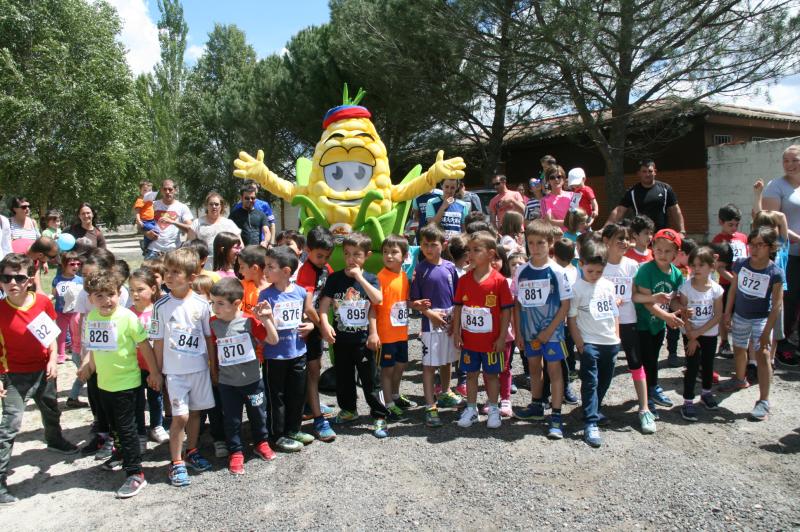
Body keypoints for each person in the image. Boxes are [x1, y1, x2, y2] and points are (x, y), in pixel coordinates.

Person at [0, 253, 79, 505]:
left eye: (19, 277)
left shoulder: (42, 302)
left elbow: (51, 335)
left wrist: (53, 358)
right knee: (10, 425)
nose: (13, 283)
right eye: (6, 278)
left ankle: (54, 440)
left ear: (29, 280)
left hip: (44, 371)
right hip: (13, 376)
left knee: (51, 408)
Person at [77, 270, 161, 498]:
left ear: (119, 294)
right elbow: (94, 347)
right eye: (99, 296)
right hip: (104, 383)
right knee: (114, 426)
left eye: (111, 294)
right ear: (90, 299)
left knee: (127, 429)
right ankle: (122, 454)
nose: (107, 300)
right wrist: (87, 366)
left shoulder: (127, 317)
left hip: (127, 384)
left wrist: (154, 372)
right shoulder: (92, 318)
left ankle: (135, 473)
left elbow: (145, 346)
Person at [150, 248, 215, 487]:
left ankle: (192, 450)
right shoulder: (160, 306)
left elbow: (208, 338)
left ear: (191, 277)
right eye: (167, 271)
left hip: (199, 369)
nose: (168, 276)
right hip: (175, 373)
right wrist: (156, 372)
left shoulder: (202, 304)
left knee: (196, 413)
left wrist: (213, 368)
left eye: (175, 272)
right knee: (180, 416)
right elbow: (158, 341)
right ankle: (176, 462)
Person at [318, 232, 389, 436]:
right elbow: (324, 305)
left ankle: (379, 415)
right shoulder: (335, 278)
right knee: (344, 377)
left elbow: (377, 301)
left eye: (357, 254)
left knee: (371, 379)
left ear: (367, 255)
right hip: (341, 340)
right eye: (347, 254)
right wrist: (325, 324)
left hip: (364, 341)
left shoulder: (371, 278)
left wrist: (359, 277)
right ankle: (349, 410)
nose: (351, 259)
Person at [209, 277, 277, 473]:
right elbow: (212, 349)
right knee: (232, 419)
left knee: (258, 414)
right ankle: (236, 451)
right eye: (212, 302)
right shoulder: (213, 323)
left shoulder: (249, 321)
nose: (215, 308)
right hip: (227, 383)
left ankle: (261, 442)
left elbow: (273, 340)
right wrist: (214, 372)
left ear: (236, 303)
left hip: (252, 381)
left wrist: (266, 319)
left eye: (220, 303)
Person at [512, 220, 572, 439]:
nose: (535, 247)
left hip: (552, 333)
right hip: (530, 332)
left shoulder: (557, 271)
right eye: (531, 243)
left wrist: (549, 331)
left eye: (540, 243)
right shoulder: (521, 271)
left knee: (554, 371)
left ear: (550, 243)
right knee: (534, 369)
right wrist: (518, 332)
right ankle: (536, 405)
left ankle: (556, 415)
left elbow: (565, 305)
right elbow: (517, 303)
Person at [718, 227, 784, 421]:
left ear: (770, 247)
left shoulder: (775, 272)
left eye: (759, 245)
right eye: (751, 244)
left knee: (763, 355)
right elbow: (733, 290)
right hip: (740, 316)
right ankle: (740, 379)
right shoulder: (741, 264)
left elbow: (777, 305)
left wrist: (766, 332)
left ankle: (763, 401)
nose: (754, 249)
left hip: (761, 319)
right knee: (739, 349)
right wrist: (727, 312)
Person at [453, 231, 513, 430]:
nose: (470, 254)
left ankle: (494, 409)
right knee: (471, 375)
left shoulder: (499, 281)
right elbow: (458, 307)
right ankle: (471, 409)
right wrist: (457, 332)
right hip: (469, 342)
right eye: (469, 250)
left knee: (492, 376)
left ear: (491, 254)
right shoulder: (464, 280)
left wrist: (502, 337)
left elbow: (506, 311)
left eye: (476, 250)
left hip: (492, 342)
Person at [601, 223, 656, 433]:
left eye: (626, 239)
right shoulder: (599, 265)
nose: (624, 242)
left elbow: (635, 295)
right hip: (604, 323)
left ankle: (644, 409)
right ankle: (594, 407)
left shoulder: (632, 265)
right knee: (603, 365)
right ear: (606, 241)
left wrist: (654, 298)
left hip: (628, 321)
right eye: (619, 238)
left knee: (635, 362)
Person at [260, 247, 316, 449]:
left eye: (270, 267)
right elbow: (264, 326)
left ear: (285, 271)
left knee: (297, 394)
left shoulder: (300, 292)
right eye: (265, 266)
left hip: (298, 352)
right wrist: (266, 317)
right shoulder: (265, 295)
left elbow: (306, 316)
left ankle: (294, 429)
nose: (265, 270)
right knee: (276, 397)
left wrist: (310, 325)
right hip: (275, 356)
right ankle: (277, 435)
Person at [567, 240, 620, 447]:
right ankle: (590, 422)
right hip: (589, 343)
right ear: (581, 264)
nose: (595, 275)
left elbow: (614, 313)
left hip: (610, 342)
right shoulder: (576, 289)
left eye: (599, 271)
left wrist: (617, 336)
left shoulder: (608, 286)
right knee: (590, 381)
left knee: (605, 379)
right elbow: (571, 319)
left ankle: (594, 409)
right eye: (590, 271)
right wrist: (580, 344)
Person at [410, 224, 463, 428]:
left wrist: (455, 320)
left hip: (449, 321)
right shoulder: (420, 269)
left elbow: (457, 297)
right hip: (430, 324)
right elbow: (414, 301)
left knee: (447, 360)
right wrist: (429, 314)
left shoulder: (450, 267)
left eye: (433, 244)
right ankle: (430, 405)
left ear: (444, 244)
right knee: (429, 364)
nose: (429, 249)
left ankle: (445, 392)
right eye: (425, 245)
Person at [633, 228, 685, 417]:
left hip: (659, 324)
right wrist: (667, 317)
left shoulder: (677, 274)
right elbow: (647, 302)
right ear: (652, 249)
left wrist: (681, 311)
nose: (662, 254)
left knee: (654, 358)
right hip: (642, 324)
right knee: (646, 360)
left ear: (676, 253)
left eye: (668, 251)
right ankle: (648, 396)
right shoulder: (646, 270)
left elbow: (674, 300)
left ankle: (653, 388)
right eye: (659, 250)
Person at [294, 226, 337, 441]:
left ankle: (311, 404)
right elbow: (308, 306)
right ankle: (318, 419)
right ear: (307, 250)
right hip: (307, 327)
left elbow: (330, 293)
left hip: (317, 326)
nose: (323, 260)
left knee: (316, 367)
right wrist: (322, 327)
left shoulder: (325, 268)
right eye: (319, 256)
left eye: (327, 256)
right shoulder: (306, 271)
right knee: (311, 371)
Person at [760, 145, 800, 366]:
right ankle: (783, 346)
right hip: (788, 255)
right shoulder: (776, 186)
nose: (790, 164)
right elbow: (772, 222)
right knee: (789, 299)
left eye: (795, 160)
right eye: (786, 160)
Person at [371, 235, 413, 437]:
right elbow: (373, 307)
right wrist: (373, 332)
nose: (389, 256)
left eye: (394, 252)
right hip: (385, 334)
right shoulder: (380, 277)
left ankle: (395, 395)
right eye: (385, 252)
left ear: (404, 256)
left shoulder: (404, 276)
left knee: (401, 365)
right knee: (386, 370)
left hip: (401, 333)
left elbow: (404, 301)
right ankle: (388, 404)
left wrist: (415, 304)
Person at [677, 246, 723, 422]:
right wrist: (691, 335)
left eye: (701, 265)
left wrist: (699, 333)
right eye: (693, 265)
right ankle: (688, 401)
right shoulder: (686, 288)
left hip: (708, 334)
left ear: (711, 266)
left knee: (708, 365)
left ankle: (706, 393)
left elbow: (717, 315)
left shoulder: (716, 290)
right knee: (692, 366)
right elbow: (683, 314)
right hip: (690, 334)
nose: (696, 269)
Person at [128, 268, 169, 447]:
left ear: (153, 289)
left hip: (155, 365)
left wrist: (157, 368)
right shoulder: (127, 314)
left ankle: (156, 425)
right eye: (132, 290)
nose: (135, 294)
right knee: (137, 400)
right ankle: (139, 430)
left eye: (140, 289)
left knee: (156, 397)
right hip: (134, 366)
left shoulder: (159, 311)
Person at [605, 159, 686, 233]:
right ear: (639, 173)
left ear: (655, 172)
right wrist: (605, 228)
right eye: (644, 171)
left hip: (661, 234)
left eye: (650, 171)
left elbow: (675, 210)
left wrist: (682, 231)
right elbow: (619, 211)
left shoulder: (665, 189)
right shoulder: (632, 192)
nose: (647, 174)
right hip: (641, 235)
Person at [712, 204, 748, 357]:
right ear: (721, 222)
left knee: (740, 314)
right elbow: (719, 267)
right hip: (726, 283)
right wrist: (733, 280)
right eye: (730, 224)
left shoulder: (743, 238)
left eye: (736, 225)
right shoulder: (718, 240)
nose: (734, 228)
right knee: (724, 313)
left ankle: (742, 343)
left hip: (743, 284)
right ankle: (724, 342)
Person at [187, 192, 242, 270]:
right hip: (203, 266)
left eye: (216, 204)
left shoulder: (229, 224)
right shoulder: (196, 223)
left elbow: (240, 245)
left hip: (224, 266)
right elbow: (190, 246)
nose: (214, 206)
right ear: (206, 206)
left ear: (221, 206)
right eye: (211, 204)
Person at [144, 180, 193, 259]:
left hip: (173, 252)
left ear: (175, 190)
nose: (167, 192)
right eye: (165, 189)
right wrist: (146, 233)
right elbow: (140, 225)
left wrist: (173, 222)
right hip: (153, 251)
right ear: (161, 190)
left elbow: (190, 229)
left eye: (170, 189)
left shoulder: (182, 207)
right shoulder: (153, 205)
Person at [52, 251, 83, 366]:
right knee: (61, 334)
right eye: (72, 264)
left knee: (75, 333)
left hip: (75, 313)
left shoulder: (80, 280)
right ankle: (61, 354)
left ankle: (76, 352)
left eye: (78, 264)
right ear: (64, 265)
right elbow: (54, 294)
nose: (76, 266)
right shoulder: (57, 280)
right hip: (61, 312)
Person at [540, 165, 575, 231]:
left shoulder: (573, 195)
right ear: (548, 181)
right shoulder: (544, 200)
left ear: (563, 179)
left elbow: (578, 216)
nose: (556, 179)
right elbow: (550, 221)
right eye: (552, 177)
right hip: (559, 236)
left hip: (577, 234)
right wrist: (572, 223)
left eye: (559, 177)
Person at [237, 245, 269, 314]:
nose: (239, 271)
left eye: (242, 267)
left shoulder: (275, 288)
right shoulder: (241, 286)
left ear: (254, 268)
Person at [134, 180, 159, 251]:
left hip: (152, 220)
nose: (147, 192)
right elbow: (137, 211)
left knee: (150, 234)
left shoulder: (150, 200)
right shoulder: (140, 200)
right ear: (140, 190)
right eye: (145, 190)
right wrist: (138, 221)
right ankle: (144, 245)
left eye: (150, 190)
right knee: (155, 230)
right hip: (145, 221)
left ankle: (147, 246)